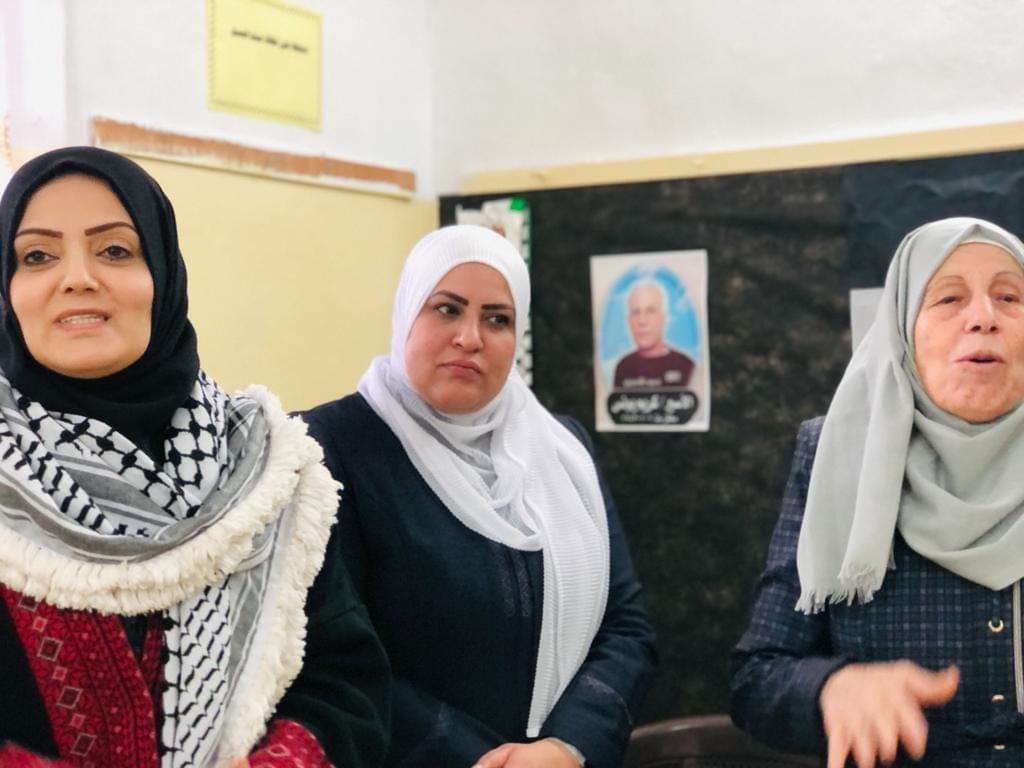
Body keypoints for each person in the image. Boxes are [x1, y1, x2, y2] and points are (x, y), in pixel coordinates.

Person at [0, 147, 390, 768]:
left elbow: (347, 683)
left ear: (164, 273)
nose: (77, 278)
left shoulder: (266, 470)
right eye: (38, 256)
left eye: (115, 250)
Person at [302, 225, 657, 768]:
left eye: (498, 319)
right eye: (446, 309)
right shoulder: (327, 447)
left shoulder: (561, 451)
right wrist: (485, 760)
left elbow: (626, 627)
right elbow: (335, 657)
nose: (470, 338)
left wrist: (568, 747)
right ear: (406, 313)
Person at [730, 217, 1024, 767]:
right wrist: (831, 688)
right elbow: (758, 678)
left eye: (1009, 297)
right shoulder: (838, 451)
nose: (983, 317)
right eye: (949, 298)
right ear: (902, 328)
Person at [613, 281, 694, 390]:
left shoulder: (686, 366)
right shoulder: (623, 367)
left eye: (650, 311)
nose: (642, 321)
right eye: (636, 312)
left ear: (663, 318)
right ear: (628, 320)